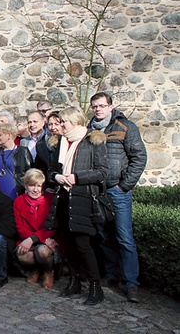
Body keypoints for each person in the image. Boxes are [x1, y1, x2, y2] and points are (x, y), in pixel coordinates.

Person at [89, 92, 147, 303]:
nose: (98, 109)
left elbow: (139, 157)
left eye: (102, 106)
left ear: (111, 107)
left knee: (124, 237)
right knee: (104, 236)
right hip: (97, 191)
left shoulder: (125, 127)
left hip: (117, 190)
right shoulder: (89, 130)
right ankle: (113, 275)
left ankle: (131, 283)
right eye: (95, 106)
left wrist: (125, 185)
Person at [46, 106, 108, 305]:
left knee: (83, 244)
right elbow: (50, 171)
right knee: (69, 245)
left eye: (63, 121)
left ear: (75, 121)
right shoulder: (60, 143)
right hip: (63, 199)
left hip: (83, 199)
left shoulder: (93, 141)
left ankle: (95, 287)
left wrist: (77, 177)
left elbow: (102, 172)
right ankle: (74, 282)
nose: (60, 126)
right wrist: (56, 176)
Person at [14, 169, 59, 289]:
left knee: (42, 252)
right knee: (23, 254)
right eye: (32, 185)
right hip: (28, 238)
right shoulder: (19, 201)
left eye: (38, 186)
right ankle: (36, 269)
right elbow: (20, 226)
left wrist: (33, 239)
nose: (35, 189)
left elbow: (52, 226)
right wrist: (30, 240)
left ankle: (48, 272)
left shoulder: (49, 199)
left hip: (46, 239)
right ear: (26, 186)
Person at [0, 123, 32, 199]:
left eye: (0, 135)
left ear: (9, 135)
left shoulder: (22, 151)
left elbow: (29, 174)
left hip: (16, 192)